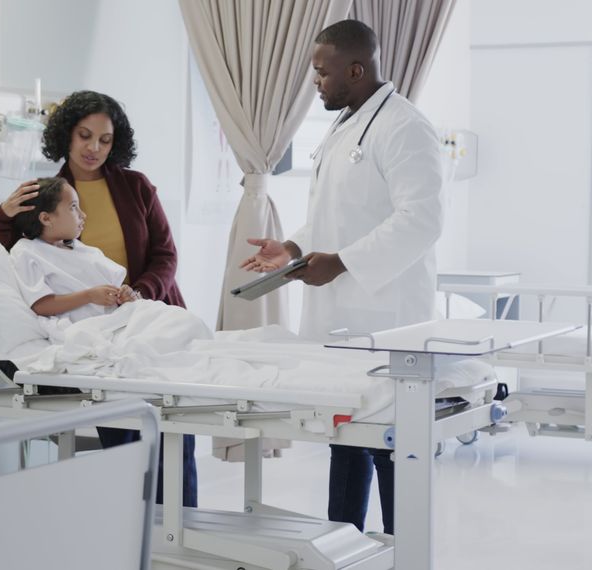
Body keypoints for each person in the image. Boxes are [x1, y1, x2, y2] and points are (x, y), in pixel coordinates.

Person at [240, 20, 444, 535]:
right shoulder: (345, 124)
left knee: (389, 449)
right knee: (347, 439)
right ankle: (342, 546)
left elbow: (422, 220)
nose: (315, 80)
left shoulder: (405, 127)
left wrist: (343, 262)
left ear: (355, 69)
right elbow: (339, 213)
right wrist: (294, 247)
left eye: (321, 71)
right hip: (341, 320)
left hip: (386, 318)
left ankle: (405, 552)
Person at [0, 90, 196, 508]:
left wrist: (139, 295)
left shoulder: (136, 187)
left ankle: (182, 533)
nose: (94, 148)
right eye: (85, 136)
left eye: (105, 140)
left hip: (149, 311)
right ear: (66, 136)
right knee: (124, 439)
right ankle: (132, 535)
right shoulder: (45, 195)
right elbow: (15, 250)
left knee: (177, 432)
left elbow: (165, 255)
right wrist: (2, 214)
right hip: (101, 334)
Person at [9, 176, 141, 321]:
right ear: (46, 219)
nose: (83, 215)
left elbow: (112, 285)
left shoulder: (78, 248)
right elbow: (40, 304)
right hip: (91, 327)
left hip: (121, 317)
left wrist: (124, 294)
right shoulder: (27, 251)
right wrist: (89, 296)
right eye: (73, 207)